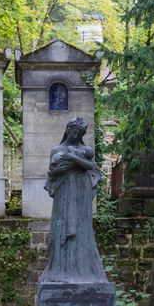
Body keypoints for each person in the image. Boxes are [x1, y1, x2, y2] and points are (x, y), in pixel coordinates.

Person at [42, 117, 107, 283]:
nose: (76, 135)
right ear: (68, 130)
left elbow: (91, 167)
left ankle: (83, 270)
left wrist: (73, 160)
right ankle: (60, 271)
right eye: (74, 132)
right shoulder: (56, 150)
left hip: (81, 192)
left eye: (80, 133)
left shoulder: (85, 150)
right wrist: (68, 166)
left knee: (82, 228)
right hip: (63, 191)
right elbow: (52, 172)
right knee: (61, 227)